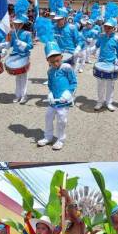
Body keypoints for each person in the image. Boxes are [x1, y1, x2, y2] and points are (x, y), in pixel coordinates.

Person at [35, 17, 77, 151]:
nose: (55, 64)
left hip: (64, 100)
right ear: (48, 61)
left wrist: (69, 93)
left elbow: (73, 81)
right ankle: (48, 136)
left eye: (57, 60)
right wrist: (50, 94)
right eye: (52, 61)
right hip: (54, 100)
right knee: (48, 117)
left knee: (62, 120)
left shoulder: (66, 67)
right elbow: (51, 85)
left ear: (61, 57)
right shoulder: (50, 71)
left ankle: (60, 139)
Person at [94, 4, 118, 112]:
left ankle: (109, 102)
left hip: (111, 64)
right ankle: (100, 101)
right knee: (100, 84)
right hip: (101, 63)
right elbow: (96, 45)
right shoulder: (101, 36)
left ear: (114, 28)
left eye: (109, 27)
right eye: (105, 27)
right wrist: (92, 49)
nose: (107, 29)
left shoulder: (117, 39)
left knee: (110, 85)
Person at [7, 0, 34, 104]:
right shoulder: (13, 33)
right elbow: (12, 44)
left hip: (24, 57)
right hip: (15, 56)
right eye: (15, 23)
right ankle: (17, 95)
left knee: (24, 77)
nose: (16, 25)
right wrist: (6, 45)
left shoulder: (27, 34)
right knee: (17, 77)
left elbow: (30, 46)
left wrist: (24, 44)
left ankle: (24, 95)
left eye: (18, 23)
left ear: (22, 24)